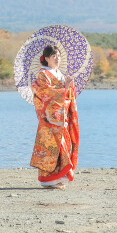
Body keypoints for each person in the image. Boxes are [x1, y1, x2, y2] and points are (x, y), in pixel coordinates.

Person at [30, 45, 79, 188]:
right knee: (51, 148)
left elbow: (68, 95)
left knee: (63, 146)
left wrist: (68, 86)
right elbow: (44, 92)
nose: (57, 58)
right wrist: (64, 88)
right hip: (49, 118)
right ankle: (48, 180)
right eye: (53, 56)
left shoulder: (60, 74)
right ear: (46, 59)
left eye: (58, 56)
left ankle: (59, 178)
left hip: (61, 116)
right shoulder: (43, 75)